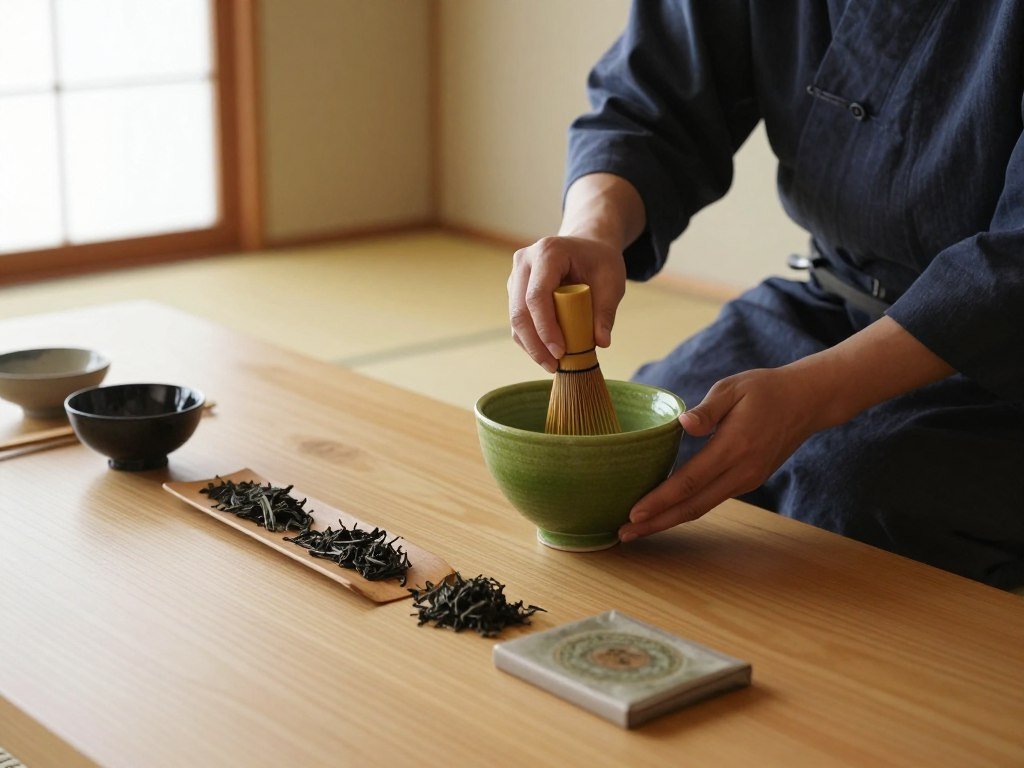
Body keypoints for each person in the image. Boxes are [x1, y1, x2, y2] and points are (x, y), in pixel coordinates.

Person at [507, 1, 1024, 590]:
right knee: (649, 449)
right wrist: (590, 230)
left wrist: (818, 395)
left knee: (844, 502)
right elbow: (652, 100)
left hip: (1001, 347)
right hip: (840, 296)